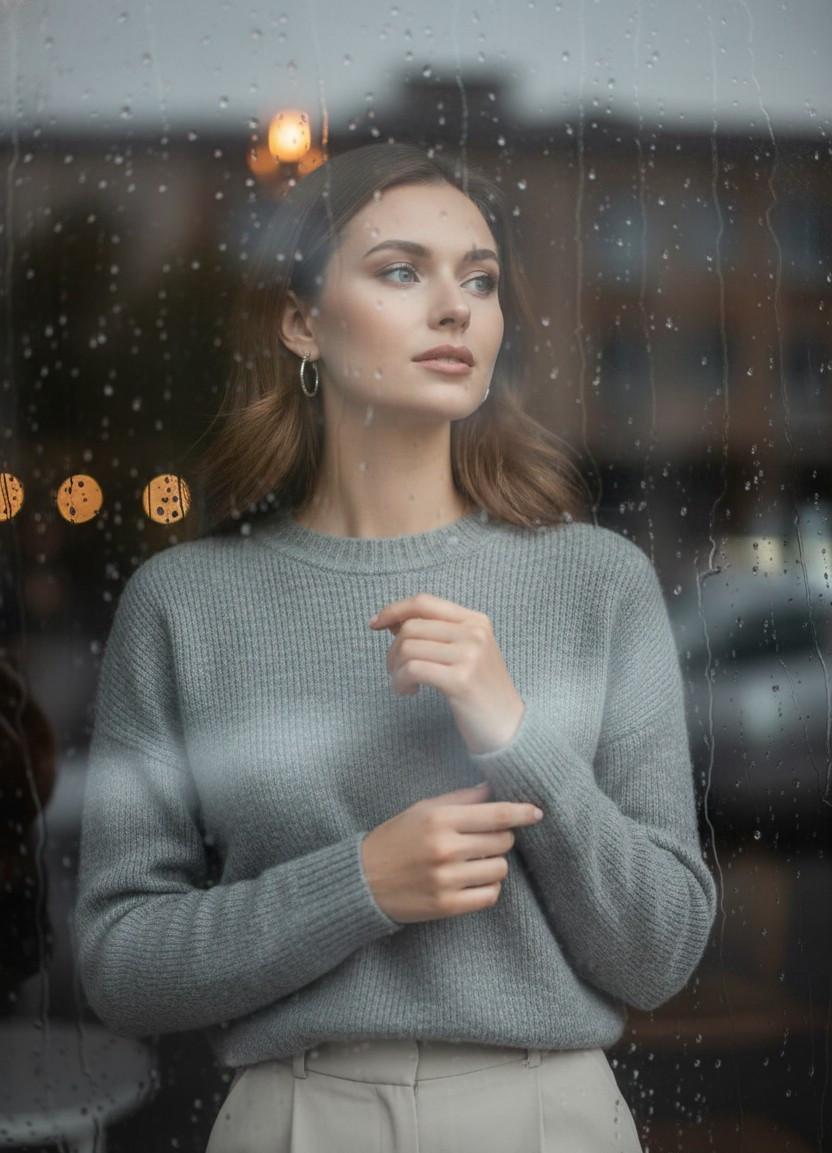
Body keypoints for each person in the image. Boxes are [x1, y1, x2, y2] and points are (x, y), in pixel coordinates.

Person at [77, 142, 717, 1152]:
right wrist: (359, 883)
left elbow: (660, 951)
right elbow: (119, 962)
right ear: (301, 321)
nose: (456, 307)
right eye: (400, 270)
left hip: (549, 1119)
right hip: (295, 1117)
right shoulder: (185, 604)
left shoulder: (597, 581)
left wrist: (514, 731)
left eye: (481, 279)